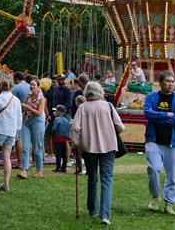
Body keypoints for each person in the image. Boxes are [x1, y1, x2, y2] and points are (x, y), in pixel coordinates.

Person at [72, 81, 125, 225]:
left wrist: (76, 145)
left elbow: (75, 128)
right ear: (100, 92)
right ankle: (105, 215)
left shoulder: (82, 108)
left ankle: (92, 209)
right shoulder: (108, 106)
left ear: (87, 92)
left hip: (89, 148)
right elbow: (120, 127)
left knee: (92, 178)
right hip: (108, 146)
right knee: (107, 180)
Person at [143, 70, 175, 215]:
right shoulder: (151, 97)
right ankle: (155, 197)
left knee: (172, 174)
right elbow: (147, 113)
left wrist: (157, 117)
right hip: (153, 140)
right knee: (154, 169)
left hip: (173, 142)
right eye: (167, 81)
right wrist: (166, 114)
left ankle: (169, 203)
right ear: (160, 82)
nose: (170, 84)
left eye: (172, 82)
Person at [17, 75, 47, 179]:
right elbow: (23, 108)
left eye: (34, 85)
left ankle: (39, 171)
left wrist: (27, 107)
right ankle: (24, 170)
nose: (32, 86)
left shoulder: (42, 98)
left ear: (38, 87)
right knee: (25, 147)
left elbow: (39, 113)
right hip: (27, 122)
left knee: (37, 148)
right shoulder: (28, 96)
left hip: (37, 122)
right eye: (31, 85)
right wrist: (21, 108)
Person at [51, 105, 71, 172]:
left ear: (59, 112)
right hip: (65, 139)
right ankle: (64, 168)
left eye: (56, 111)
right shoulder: (66, 120)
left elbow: (54, 128)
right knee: (64, 154)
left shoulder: (57, 119)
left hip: (58, 138)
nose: (55, 112)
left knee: (58, 154)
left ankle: (58, 167)